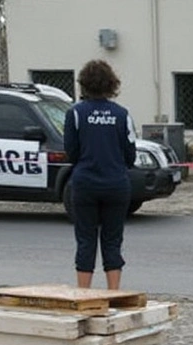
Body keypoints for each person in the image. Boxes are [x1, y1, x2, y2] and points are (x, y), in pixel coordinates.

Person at [63, 59, 137, 290]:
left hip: (85, 184)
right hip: (116, 184)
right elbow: (130, 154)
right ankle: (113, 294)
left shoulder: (75, 114)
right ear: (111, 84)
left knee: (85, 240)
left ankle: (83, 295)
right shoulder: (122, 114)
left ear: (83, 84)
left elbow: (71, 152)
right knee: (112, 241)